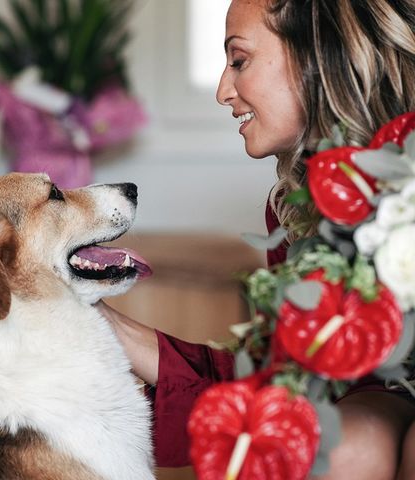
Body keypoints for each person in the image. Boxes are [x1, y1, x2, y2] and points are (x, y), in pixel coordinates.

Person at [96, 0, 415, 478]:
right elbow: (279, 376)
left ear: (316, 52)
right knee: (345, 447)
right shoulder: (292, 208)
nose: (224, 91)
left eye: (239, 61)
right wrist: (103, 326)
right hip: (378, 396)